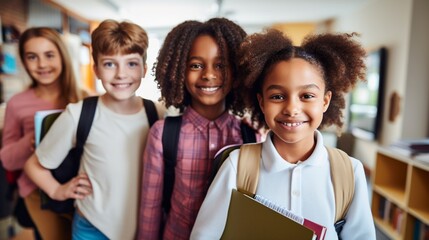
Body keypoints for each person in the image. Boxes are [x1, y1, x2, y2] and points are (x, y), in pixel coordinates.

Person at [190, 29, 376, 240]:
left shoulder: (349, 172)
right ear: (262, 102)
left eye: (307, 96)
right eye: (278, 96)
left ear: (325, 101)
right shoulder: (237, 165)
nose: (292, 108)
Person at [24, 19, 165, 239]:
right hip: (92, 228)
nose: (121, 74)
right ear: (96, 69)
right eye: (110, 64)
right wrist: (57, 190)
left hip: (145, 228)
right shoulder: (78, 114)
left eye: (131, 63)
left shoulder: (157, 114)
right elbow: (34, 165)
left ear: (144, 69)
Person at [137, 18, 260, 240]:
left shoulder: (250, 136)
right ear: (178, 71)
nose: (208, 75)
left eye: (220, 65)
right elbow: (150, 209)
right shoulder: (163, 134)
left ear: (237, 72)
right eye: (196, 65)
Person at [0, 27, 88, 240]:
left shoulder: (85, 99)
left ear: (62, 56)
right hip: (36, 192)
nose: (42, 65)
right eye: (32, 57)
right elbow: (7, 160)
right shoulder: (16, 104)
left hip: (79, 189)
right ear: (23, 61)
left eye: (49, 55)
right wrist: (30, 141)